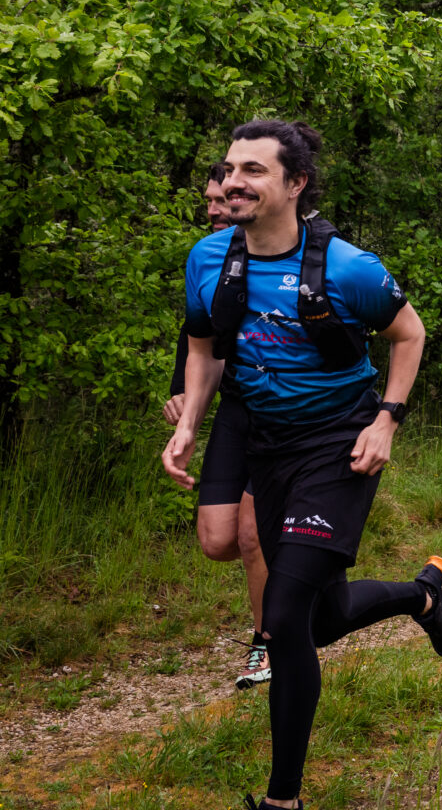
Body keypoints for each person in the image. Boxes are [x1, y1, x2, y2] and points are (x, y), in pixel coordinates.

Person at [162, 120, 442, 810]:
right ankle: (425, 593)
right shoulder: (208, 257)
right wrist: (188, 424)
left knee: (285, 608)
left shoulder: (349, 267)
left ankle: (283, 800)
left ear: (295, 185)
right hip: (260, 434)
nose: (234, 181)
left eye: (254, 171)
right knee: (318, 620)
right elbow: (204, 348)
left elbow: (409, 333)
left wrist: (386, 419)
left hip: (337, 438)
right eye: (231, 168)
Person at [163, 167, 270, 690]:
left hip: (289, 414)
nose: (212, 208)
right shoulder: (207, 254)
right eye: (208, 198)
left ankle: (265, 642)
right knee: (217, 540)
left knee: (252, 535)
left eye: (219, 198)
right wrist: (184, 404)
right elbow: (199, 337)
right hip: (233, 406)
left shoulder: (291, 249)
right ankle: (298, 568)